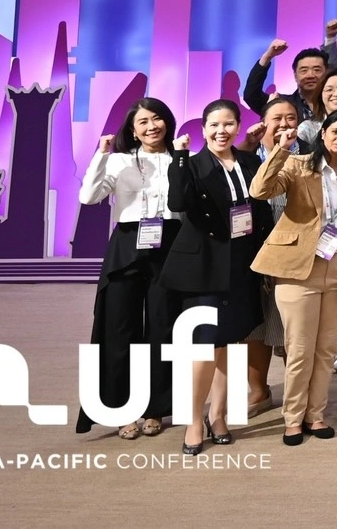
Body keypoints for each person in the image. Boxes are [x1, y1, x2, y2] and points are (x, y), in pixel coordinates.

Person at [250, 108, 337, 444]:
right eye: (335, 131)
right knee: (300, 349)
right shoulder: (298, 164)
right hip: (297, 266)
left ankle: (315, 415)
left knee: (325, 350)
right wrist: (281, 148)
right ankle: (292, 419)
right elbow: (260, 190)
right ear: (323, 134)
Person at [160, 100, 269, 452]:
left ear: (238, 127)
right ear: (203, 129)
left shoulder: (251, 162)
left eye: (228, 124)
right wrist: (178, 158)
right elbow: (178, 202)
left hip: (242, 264)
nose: (221, 131)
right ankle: (194, 419)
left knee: (232, 343)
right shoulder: (190, 165)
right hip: (204, 266)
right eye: (214, 125)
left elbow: (261, 211)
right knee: (204, 345)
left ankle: (219, 415)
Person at [76, 98, 183, 438]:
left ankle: (156, 408)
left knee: (163, 330)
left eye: (157, 119)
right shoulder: (118, 160)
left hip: (170, 247)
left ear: (167, 121)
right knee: (119, 330)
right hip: (126, 246)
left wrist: (180, 160)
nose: (152, 126)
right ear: (133, 131)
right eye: (143, 122)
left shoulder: (183, 158)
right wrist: (101, 154)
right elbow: (88, 197)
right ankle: (123, 410)